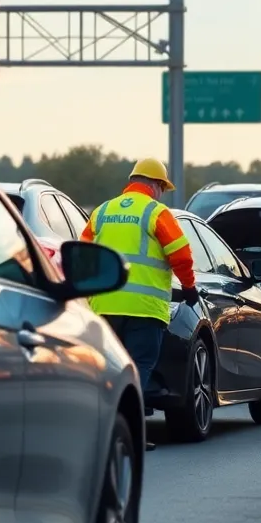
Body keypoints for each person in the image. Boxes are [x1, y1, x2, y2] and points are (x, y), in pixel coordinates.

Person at [80, 157, 199, 451]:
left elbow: (82, 254)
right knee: (138, 371)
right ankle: (129, 435)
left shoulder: (102, 211)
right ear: (156, 185)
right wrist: (189, 287)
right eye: (163, 187)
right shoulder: (157, 213)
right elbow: (181, 256)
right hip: (145, 310)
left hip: (104, 308)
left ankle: (102, 432)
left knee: (108, 373)